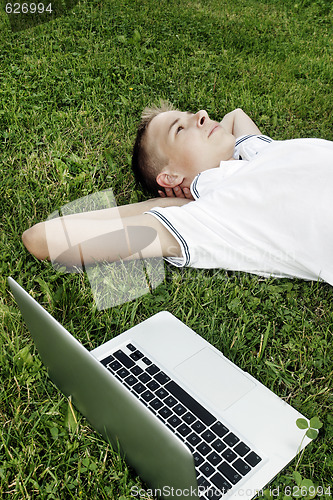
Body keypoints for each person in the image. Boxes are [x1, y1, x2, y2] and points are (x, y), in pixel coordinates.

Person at [22, 105, 333, 286]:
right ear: (169, 177)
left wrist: (208, 165)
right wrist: (164, 204)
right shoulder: (212, 216)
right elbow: (41, 238)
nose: (201, 114)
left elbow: (236, 116)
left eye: (190, 115)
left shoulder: (254, 152)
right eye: (180, 130)